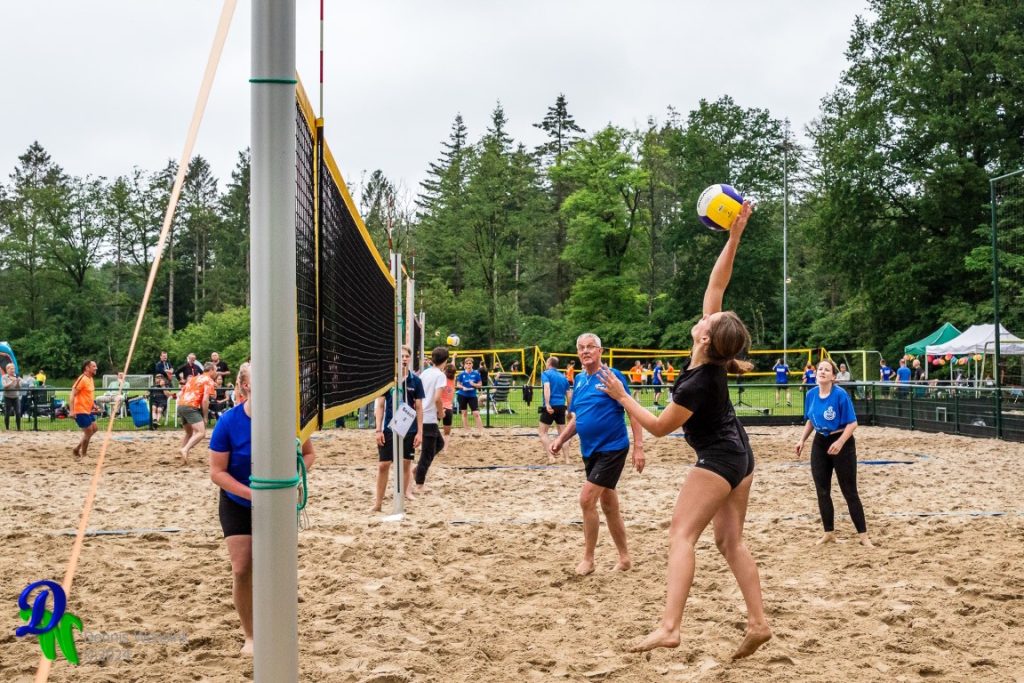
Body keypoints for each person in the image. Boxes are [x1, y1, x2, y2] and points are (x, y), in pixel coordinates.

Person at [593, 200, 771, 659]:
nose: (704, 314)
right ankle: (758, 623)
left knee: (681, 536)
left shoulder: (697, 382)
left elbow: (655, 428)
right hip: (741, 455)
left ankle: (670, 627)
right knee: (730, 542)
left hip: (721, 460)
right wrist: (734, 237)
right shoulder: (712, 356)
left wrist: (621, 393)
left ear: (705, 338)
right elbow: (718, 283)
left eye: (707, 320)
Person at [209, 362, 316, 657]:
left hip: (278, 502)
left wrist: (292, 480)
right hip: (238, 500)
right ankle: (252, 636)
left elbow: (309, 456)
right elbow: (217, 472)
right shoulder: (229, 422)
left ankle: (279, 625)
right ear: (246, 386)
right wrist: (252, 494)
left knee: (277, 568)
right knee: (242, 568)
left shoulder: (289, 418)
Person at [549, 333, 645, 576]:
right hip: (590, 451)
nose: (585, 351)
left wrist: (639, 447)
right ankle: (624, 558)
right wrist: (560, 439)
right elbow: (579, 418)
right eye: (581, 347)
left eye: (590, 347)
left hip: (612, 448)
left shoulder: (611, 376)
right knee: (609, 505)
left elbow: (632, 411)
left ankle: (588, 559)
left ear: (600, 351)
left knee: (586, 500)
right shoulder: (580, 380)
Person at [795, 359, 871, 547]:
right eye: (820, 369)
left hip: (842, 442)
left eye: (826, 370)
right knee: (822, 490)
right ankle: (828, 533)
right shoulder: (811, 394)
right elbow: (811, 420)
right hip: (820, 442)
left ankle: (864, 537)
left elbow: (853, 423)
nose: (821, 372)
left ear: (833, 376)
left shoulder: (840, 395)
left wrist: (840, 442)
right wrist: (802, 440)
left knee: (849, 491)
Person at [373, 345, 423, 511]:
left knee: (405, 464)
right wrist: (378, 429)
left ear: (409, 359)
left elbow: (419, 408)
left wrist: (420, 432)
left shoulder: (416, 381)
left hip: (409, 428)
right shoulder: (387, 380)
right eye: (400, 356)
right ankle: (378, 504)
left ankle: (401, 500)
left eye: (406, 356)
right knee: (383, 465)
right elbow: (380, 405)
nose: (403, 359)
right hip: (389, 428)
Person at [415, 346, 449, 494]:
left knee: (440, 444)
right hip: (428, 416)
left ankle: (417, 469)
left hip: (422, 414)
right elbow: (437, 399)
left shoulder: (425, 373)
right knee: (427, 453)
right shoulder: (440, 375)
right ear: (445, 361)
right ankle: (419, 483)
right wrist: (441, 413)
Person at [177, 361, 218, 464]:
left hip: (181, 405)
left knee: (189, 433)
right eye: (216, 370)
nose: (216, 373)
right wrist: (205, 417)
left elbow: (181, 393)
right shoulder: (208, 380)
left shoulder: (193, 378)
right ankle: (185, 449)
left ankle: (182, 454)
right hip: (191, 407)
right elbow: (205, 400)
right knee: (201, 432)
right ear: (211, 370)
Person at [538, 356, 572, 464]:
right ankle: (567, 459)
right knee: (563, 434)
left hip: (551, 406)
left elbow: (547, 387)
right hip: (561, 406)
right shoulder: (563, 377)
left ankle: (551, 457)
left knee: (543, 433)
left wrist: (547, 404)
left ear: (549, 363)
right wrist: (569, 410)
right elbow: (569, 394)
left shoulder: (546, 373)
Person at [69, 360, 100, 459]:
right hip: (79, 409)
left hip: (87, 409)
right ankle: (84, 455)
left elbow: (88, 395)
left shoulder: (90, 379)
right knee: (88, 432)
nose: (96, 368)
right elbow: (72, 394)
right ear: (87, 368)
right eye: (94, 366)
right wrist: (72, 411)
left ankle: (77, 449)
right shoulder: (82, 379)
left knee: (94, 428)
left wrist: (93, 404)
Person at [455, 357, 484, 433]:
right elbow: (458, 384)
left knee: (476, 413)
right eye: (467, 363)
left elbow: (480, 385)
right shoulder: (461, 374)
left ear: (472, 364)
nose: (468, 365)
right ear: (465, 365)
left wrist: (474, 384)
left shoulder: (476, 373)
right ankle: (466, 430)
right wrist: (463, 387)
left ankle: (480, 431)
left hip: (472, 395)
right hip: (462, 395)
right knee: (464, 413)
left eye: (470, 363)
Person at [3, 363, 21, 430]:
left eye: (14, 369)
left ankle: (18, 428)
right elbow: (5, 387)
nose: (13, 370)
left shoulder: (17, 376)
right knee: (7, 413)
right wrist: (11, 381)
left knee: (18, 412)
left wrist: (18, 382)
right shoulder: (4, 377)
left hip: (16, 397)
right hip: (7, 397)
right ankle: (7, 428)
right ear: (7, 369)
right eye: (11, 369)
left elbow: (18, 388)